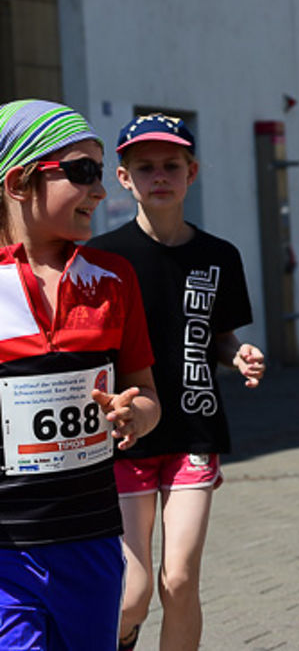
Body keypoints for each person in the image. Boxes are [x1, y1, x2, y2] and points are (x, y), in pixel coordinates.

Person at [88, 114, 266, 651]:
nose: (159, 176)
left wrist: (239, 354)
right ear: (124, 178)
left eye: (171, 166)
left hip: (195, 430)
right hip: (129, 439)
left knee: (180, 579)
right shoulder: (102, 261)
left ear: (192, 173)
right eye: (145, 167)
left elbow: (218, 336)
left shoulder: (220, 256)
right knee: (131, 594)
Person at [0, 99, 161, 650]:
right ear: (20, 181)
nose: (99, 191)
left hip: (89, 537)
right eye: (83, 172)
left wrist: (135, 413)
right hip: (5, 546)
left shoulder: (115, 277)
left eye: (100, 173)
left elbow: (148, 397)